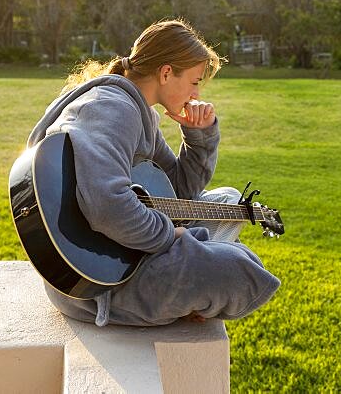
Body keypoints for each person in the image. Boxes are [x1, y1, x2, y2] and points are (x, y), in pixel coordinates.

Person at [26, 19, 280, 327]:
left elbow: (176, 191)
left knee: (227, 201)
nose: (196, 93)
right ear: (166, 73)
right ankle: (197, 274)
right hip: (100, 284)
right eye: (195, 81)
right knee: (240, 269)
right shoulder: (111, 108)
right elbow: (107, 206)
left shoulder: (137, 109)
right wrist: (171, 236)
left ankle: (197, 267)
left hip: (124, 253)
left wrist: (199, 136)